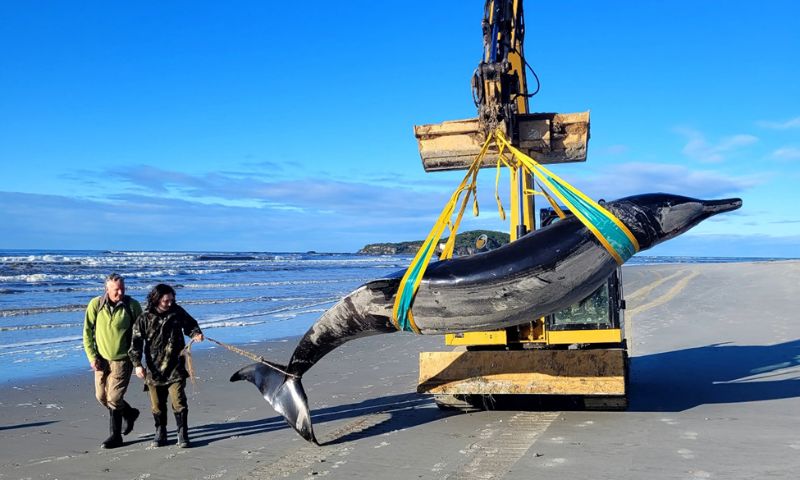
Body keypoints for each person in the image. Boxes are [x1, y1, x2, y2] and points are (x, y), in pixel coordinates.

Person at [129, 283, 204, 448]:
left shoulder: (177, 312)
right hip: (154, 370)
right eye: (166, 301)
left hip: (175, 367)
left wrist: (196, 333)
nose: (170, 303)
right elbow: (135, 343)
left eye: (172, 299)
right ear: (156, 300)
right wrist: (137, 365)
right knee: (157, 405)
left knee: (179, 401)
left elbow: (191, 325)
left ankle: (182, 434)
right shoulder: (144, 318)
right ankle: (160, 432)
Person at [83, 273, 143, 449]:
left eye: (122, 289)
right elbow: (87, 332)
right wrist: (92, 356)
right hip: (101, 360)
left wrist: (137, 360)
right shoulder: (96, 305)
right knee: (101, 397)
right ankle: (130, 413)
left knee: (114, 398)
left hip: (122, 360)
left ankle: (115, 436)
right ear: (107, 289)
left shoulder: (132, 306)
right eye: (116, 290)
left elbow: (140, 334)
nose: (120, 292)